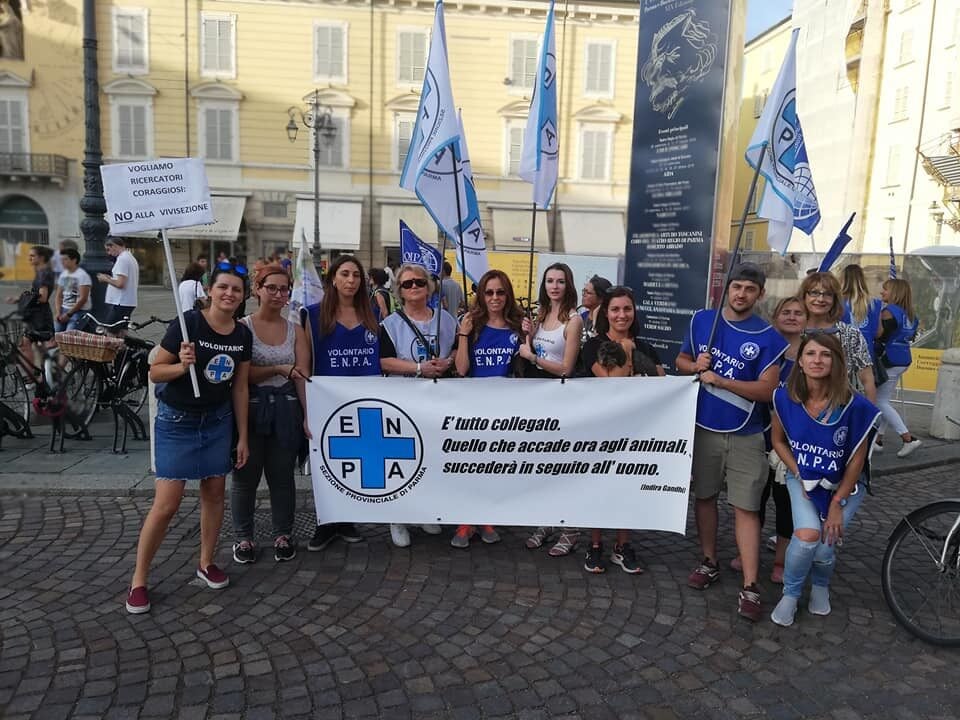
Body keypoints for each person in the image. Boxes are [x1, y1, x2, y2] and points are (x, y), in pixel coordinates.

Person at [125, 262, 252, 614]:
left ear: (243, 297)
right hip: (178, 422)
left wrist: (242, 436)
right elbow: (154, 372)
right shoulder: (187, 324)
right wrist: (181, 366)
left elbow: (239, 385)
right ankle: (139, 579)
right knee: (166, 505)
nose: (229, 294)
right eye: (223, 287)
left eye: (236, 290)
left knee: (214, 494)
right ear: (209, 290)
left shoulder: (242, 334)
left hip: (218, 421)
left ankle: (206, 562)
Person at [676, 262, 787, 622]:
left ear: (760, 294)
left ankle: (751, 584)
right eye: (736, 287)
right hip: (704, 426)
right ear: (727, 289)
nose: (741, 294)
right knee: (704, 497)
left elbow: (768, 390)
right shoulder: (701, 321)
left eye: (749, 289)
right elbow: (680, 360)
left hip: (746, 434)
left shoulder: (770, 337)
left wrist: (721, 380)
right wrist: (695, 367)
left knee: (746, 507)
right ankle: (709, 560)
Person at [769, 333, 880, 627]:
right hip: (802, 477)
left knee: (825, 546)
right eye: (811, 354)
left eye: (825, 355)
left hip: (846, 484)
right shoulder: (784, 397)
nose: (817, 360)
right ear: (801, 362)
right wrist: (797, 471)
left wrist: (837, 502)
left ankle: (820, 585)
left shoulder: (856, 405)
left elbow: (858, 458)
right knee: (807, 538)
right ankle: (790, 594)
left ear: (836, 362)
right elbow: (777, 440)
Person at [578, 286, 664, 574]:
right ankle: (595, 545)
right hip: (600, 430)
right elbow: (609, 382)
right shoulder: (592, 346)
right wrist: (627, 351)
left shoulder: (648, 348)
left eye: (627, 309)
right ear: (606, 313)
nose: (621, 315)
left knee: (628, 488)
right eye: (615, 309)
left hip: (636, 432)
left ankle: (622, 545)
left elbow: (663, 385)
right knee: (598, 488)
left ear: (634, 312)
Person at [231, 265, 311, 565]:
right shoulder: (243, 328)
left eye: (284, 289)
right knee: (245, 477)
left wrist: (306, 415)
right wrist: (277, 369)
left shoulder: (296, 329)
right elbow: (241, 375)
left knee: (282, 477)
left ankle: (283, 533)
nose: (278, 294)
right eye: (272, 288)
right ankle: (243, 536)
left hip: (286, 410)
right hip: (249, 409)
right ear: (258, 289)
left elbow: (301, 375)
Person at [302, 255, 380, 551]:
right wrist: (308, 410)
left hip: (364, 401)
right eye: (345, 274)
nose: (350, 280)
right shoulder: (312, 315)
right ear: (333, 278)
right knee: (327, 462)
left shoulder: (372, 313)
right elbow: (305, 367)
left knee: (354, 463)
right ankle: (325, 523)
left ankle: (346, 518)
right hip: (328, 403)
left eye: (356, 275)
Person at [380, 263, 456, 548]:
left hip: (437, 402)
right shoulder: (390, 325)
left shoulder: (447, 320)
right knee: (403, 460)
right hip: (403, 401)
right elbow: (384, 361)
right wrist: (419, 368)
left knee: (431, 459)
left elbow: (458, 349)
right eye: (408, 284)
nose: (414, 288)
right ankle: (397, 516)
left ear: (429, 286)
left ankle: (425, 511)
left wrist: (446, 362)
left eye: (419, 283)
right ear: (399, 290)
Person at [732, 296, 806, 583]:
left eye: (797, 312)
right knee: (754, 499)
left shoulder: (811, 354)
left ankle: (781, 560)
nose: (791, 317)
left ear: (806, 320)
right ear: (775, 317)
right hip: (758, 433)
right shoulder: (765, 349)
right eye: (785, 312)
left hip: (795, 442)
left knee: (787, 502)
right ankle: (747, 551)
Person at [451, 270, 527, 548]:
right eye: (489, 292)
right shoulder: (472, 325)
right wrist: (463, 334)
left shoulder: (518, 327)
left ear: (508, 295)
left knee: (492, 465)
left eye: (500, 292)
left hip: (505, 408)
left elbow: (525, 368)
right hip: (473, 407)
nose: (495, 298)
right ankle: (466, 520)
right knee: (470, 465)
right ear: (481, 295)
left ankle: (485, 518)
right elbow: (461, 369)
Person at [520, 262, 585, 557]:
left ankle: (570, 529)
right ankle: (546, 521)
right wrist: (530, 334)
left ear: (568, 285)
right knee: (542, 467)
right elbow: (536, 348)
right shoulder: (542, 314)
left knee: (562, 467)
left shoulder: (573, 320)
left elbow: (565, 369)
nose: (554, 286)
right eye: (550, 281)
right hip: (538, 400)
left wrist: (532, 356)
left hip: (561, 401)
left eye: (560, 281)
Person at [800, 272, 876, 403]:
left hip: (840, 409)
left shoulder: (850, 334)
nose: (820, 299)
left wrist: (870, 415)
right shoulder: (793, 332)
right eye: (814, 292)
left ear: (835, 299)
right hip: (797, 406)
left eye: (828, 294)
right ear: (804, 296)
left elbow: (867, 379)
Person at [875, 278, 922, 458]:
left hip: (889, 359)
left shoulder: (889, 312)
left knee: (880, 402)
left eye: (885, 290)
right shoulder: (910, 315)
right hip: (903, 358)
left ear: (894, 292)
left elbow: (879, 334)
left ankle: (908, 438)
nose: (882, 293)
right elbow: (909, 336)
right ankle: (878, 439)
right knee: (885, 401)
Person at [6, 245, 55, 337]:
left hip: (40, 315)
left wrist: (22, 298)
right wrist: (18, 298)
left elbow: (43, 298)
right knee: (33, 345)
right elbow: (36, 295)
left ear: (41, 257)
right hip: (36, 313)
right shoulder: (41, 272)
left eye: (32, 256)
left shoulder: (44, 274)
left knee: (25, 345)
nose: (29, 258)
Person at [839, 264, 883, 360]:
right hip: (867, 355)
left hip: (843, 355)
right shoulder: (875, 303)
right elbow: (878, 333)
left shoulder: (837, 303)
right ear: (863, 280)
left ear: (842, 280)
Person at [98, 236, 140, 332]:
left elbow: (120, 284)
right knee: (121, 330)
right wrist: (110, 278)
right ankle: (123, 346)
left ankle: (114, 347)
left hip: (120, 301)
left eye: (108, 249)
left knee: (110, 331)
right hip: (127, 301)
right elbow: (123, 279)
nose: (108, 253)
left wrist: (105, 279)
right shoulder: (130, 257)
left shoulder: (122, 259)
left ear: (114, 246)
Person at [53, 248, 92, 332]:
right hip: (64, 309)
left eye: (65, 259)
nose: (62, 262)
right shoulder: (63, 274)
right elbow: (58, 295)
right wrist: (58, 312)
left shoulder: (82, 276)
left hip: (79, 311)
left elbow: (83, 299)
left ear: (74, 260)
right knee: (56, 334)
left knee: (69, 336)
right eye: (61, 260)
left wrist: (69, 314)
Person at [579, 275, 612, 340]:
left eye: (588, 293)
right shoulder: (581, 317)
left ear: (601, 298)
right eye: (584, 291)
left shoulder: (609, 321)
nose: (583, 295)